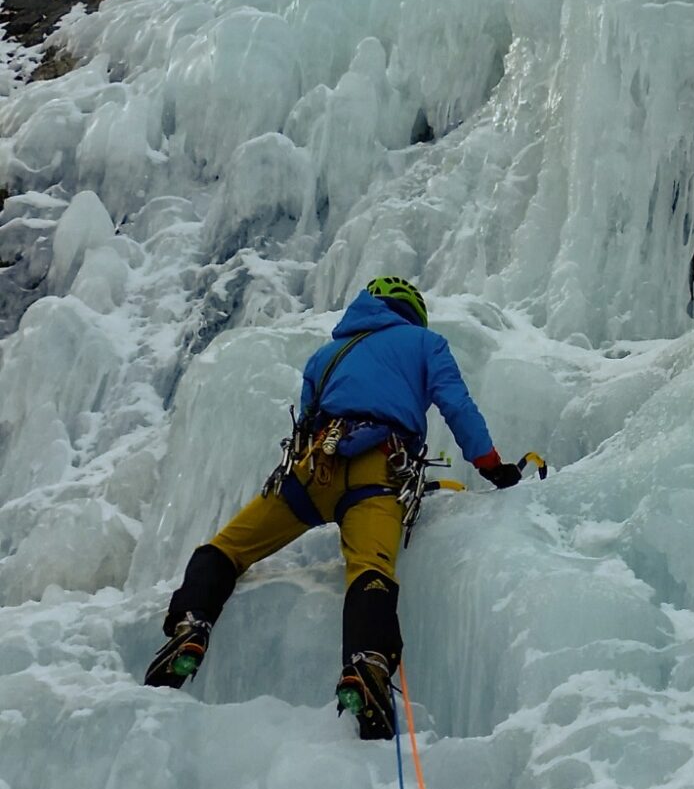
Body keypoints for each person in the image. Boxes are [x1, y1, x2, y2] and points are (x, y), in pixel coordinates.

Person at [144, 274, 526, 739]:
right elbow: (456, 405)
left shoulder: (326, 355)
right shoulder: (425, 343)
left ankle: (190, 624)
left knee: (227, 548)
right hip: (376, 470)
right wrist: (490, 465)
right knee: (370, 568)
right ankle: (365, 666)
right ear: (411, 311)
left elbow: (308, 417)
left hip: (311, 471)